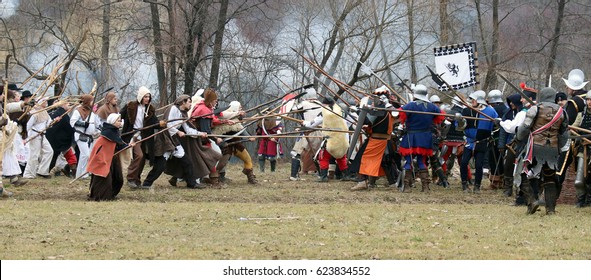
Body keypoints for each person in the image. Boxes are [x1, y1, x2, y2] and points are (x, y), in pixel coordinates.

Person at [515, 87, 568, 215]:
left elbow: (525, 128)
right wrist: (558, 148)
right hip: (552, 149)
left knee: (521, 173)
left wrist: (518, 137)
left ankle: (532, 201)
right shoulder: (562, 112)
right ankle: (550, 210)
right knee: (550, 177)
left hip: (535, 148)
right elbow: (564, 134)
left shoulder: (535, 109)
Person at [397, 85, 445, 192]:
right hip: (425, 137)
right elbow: (441, 115)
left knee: (409, 160)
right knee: (421, 160)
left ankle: (406, 187)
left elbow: (399, 113)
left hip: (412, 136)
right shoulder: (431, 106)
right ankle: (425, 187)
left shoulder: (411, 105)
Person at [350, 86, 397, 191]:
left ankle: (362, 182)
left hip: (376, 141)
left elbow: (367, 121)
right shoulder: (389, 109)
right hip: (386, 140)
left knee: (361, 158)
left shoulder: (379, 110)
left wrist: (358, 112)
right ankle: (392, 183)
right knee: (385, 161)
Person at [454, 90, 499, 194]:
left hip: (482, 141)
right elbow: (459, 127)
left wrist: (496, 122)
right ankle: (464, 185)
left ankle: (477, 187)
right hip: (469, 141)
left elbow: (496, 126)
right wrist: (460, 120)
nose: (472, 101)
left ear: (479, 100)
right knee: (464, 163)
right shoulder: (467, 110)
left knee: (479, 165)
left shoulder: (490, 111)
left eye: (474, 99)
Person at [499, 87, 538, 205]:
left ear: (529, 99)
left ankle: (523, 199)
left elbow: (513, 128)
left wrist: (500, 122)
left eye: (523, 98)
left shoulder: (524, 113)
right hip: (538, 144)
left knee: (521, 171)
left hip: (525, 144)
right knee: (534, 172)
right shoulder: (542, 109)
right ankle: (532, 197)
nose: (521, 100)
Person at [160, 95, 206, 189]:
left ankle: (191, 183)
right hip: (166, 139)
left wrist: (200, 133)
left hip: (174, 140)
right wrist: (178, 131)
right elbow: (168, 124)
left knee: (187, 162)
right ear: (183, 102)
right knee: (160, 164)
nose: (190, 104)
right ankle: (147, 183)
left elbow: (188, 130)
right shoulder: (173, 109)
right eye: (189, 102)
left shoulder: (183, 114)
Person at [303, 97, 351, 182]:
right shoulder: (342, 112)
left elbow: (312, 124)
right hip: (342, 139)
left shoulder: (325, 113)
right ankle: (346, 175)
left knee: (324, 157)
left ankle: (324, 176)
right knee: (340, 157)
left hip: (330, 140)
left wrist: (304, 123)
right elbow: (349, 122)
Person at [119, 86, 159, 188]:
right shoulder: (130, 106)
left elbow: (155, 123)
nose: (147, 99)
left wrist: (162, 124)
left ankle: (136, 180)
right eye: (145, 97)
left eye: (148, 97)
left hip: (144, 136)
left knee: (142, 159)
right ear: (141, 96)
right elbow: (119, 116)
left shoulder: (150, 109)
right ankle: (131, 178)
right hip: (132, 135)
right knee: (139, 156)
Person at [87, 113, 132, 201]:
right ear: (113, 122)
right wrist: (127, 146)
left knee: (118, 178)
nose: (120, 122)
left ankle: (112, 194)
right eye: (118, 121)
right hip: (103, 158)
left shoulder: (114, 131)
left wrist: (128, 145)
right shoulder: (108, 132)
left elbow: (118, 144)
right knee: (103, 179)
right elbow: (117, 143)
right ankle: (100, 196)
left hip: (112, 158)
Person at [212, 101, 258, 184]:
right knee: (221, 164)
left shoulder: (237, 120)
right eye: (239, 108)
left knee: (247, 159)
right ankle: (215, 179)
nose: (241, 109)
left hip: (237, 145)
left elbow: (241, 129)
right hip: (226, 146)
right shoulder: (225, 119)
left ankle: (251, 177)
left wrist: (250, 137)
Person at [189, 88, 224, 187]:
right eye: (214, 100)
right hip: (199, 139)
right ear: (210, 100)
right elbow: (206, 130)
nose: (216, 102)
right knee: (214, 154)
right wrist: (216, 139)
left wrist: (226, 122)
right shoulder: (203, 110)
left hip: (200, 137)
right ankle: (212, 179)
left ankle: (207, 178)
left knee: (212, 154)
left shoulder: (203, 107)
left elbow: (213, 121)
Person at [289, 87, 322, 181]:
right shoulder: (322, 105)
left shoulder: (304, 104)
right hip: (319, 132)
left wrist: (294, 102)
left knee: (296, 153)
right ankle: (321, 174)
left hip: (307, 131)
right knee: (316, 154)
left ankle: (294, 176)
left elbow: (292, 110)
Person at [70, 94, 100, 179]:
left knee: (86, 155)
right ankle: (81, 174)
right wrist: (83, 124)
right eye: (91, 101)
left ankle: (82, 174)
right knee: (86, 155)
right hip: (80, 135)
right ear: (87, 101)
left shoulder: (92, 112)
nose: (92, 102)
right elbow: (72, 122)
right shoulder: (78, 110)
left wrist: (100, 130)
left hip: (89, 137)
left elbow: (97, 124)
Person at [23, 97, 54, 179]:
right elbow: (28, 126)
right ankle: (28, 174)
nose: (46, 102)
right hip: (35, 135)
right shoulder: (34, 112)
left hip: (43, 135)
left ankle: (42, 171)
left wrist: (54, 121)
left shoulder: (45, 112)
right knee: (34, 155)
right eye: (44, 101)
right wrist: (28, 137)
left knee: (49, 151)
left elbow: (48, 124)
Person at [571, 91, 591, 207]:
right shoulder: (581, 115)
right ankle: (581, 200)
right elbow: (573, 128)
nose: (590, 102)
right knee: (579, 179)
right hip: (583, 149)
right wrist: (570, 131)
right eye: (588, 100)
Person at [486, 89, 508, 190]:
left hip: (497, 137)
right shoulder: (506, 109)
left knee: (494, 160)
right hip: (503, 138)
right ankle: (501, 181)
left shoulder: (496, 110)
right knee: (499, 160)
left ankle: (496, 182)